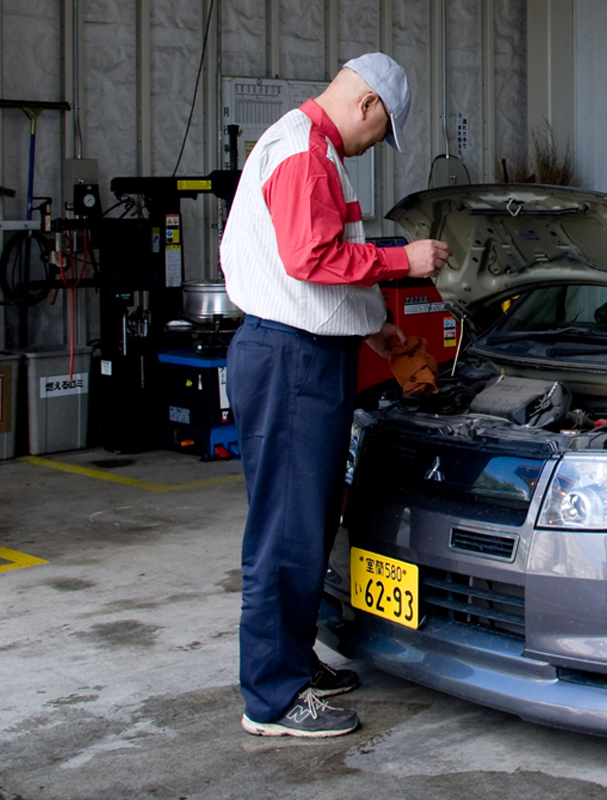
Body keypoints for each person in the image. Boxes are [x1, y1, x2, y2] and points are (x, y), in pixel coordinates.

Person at [218, 52, 450, 739]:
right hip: (292, 361)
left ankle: (292, 663)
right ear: (370, 106)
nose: (375, 143)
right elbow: (309, 259)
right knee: (286, 532)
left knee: (309, 523)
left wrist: (376, 327)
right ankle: (273, 699)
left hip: (310, 353)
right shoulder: (302, 152)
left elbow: (318, 273)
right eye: (382, 133)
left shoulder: (313, 151)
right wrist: (401, 262)